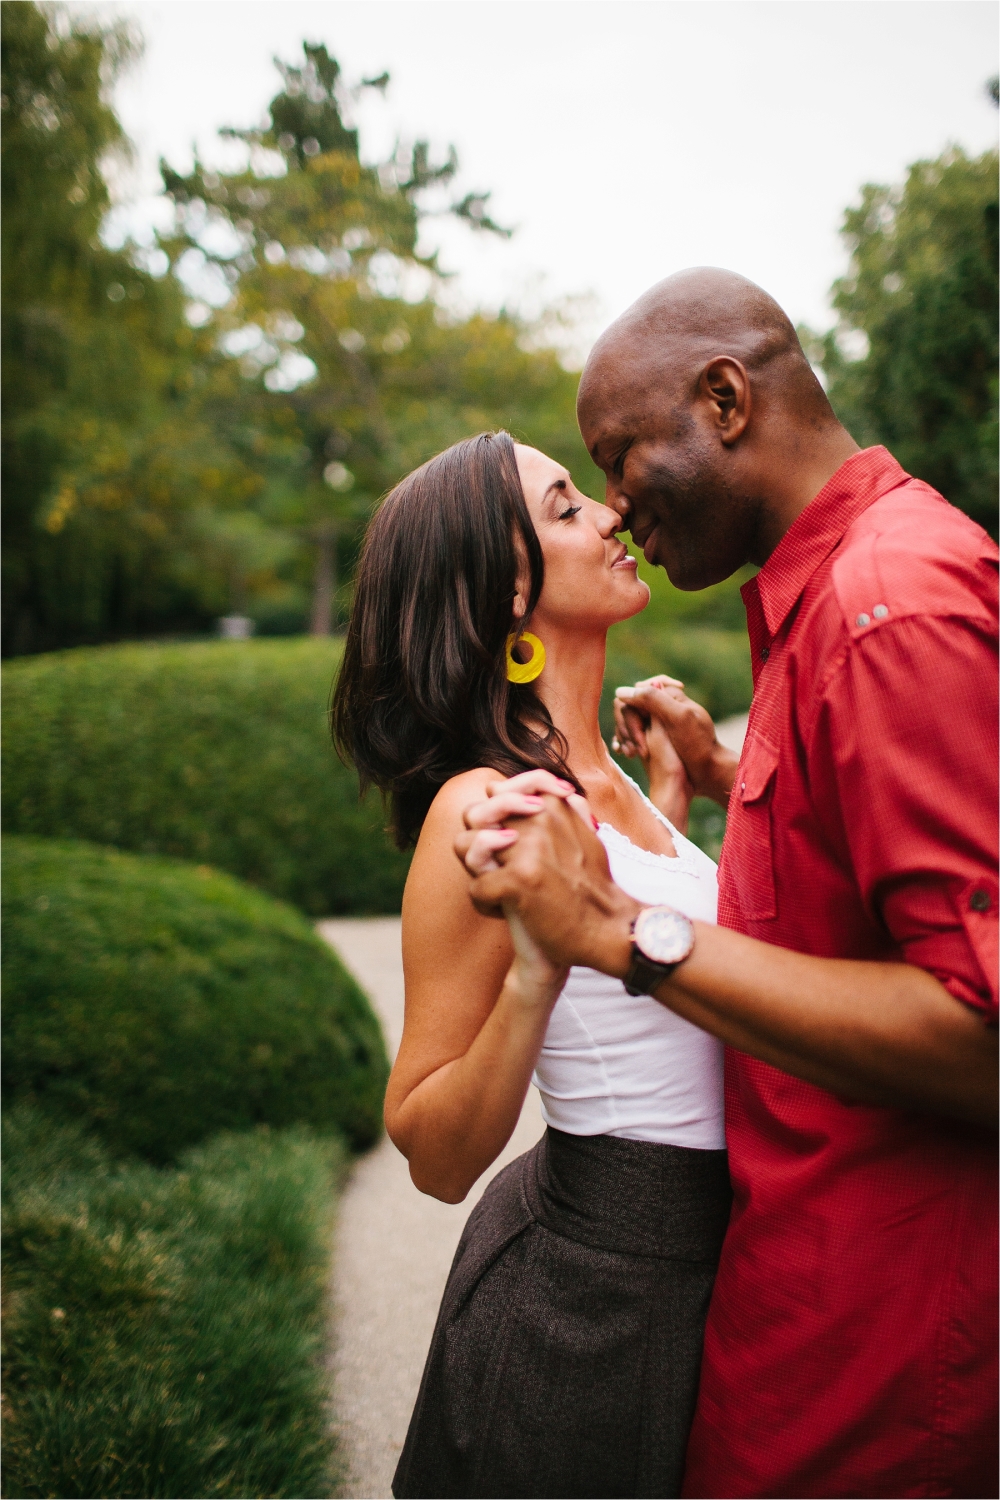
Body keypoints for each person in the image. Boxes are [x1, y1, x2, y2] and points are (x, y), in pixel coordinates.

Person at [458, 269, 999, 1500]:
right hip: (781, 1304)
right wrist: (726, 771)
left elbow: (985, 1032)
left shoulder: (885, 608)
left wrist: (614, 927)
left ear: (723, 399)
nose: (612, 504)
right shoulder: (833, 601)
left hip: (878, 1361)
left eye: (618, 456)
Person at [332, 430, 734, 1499]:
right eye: (565, 509)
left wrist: (691, 803)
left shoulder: (615, 778)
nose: (611, 515)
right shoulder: (488, 805)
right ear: (505, 595)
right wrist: (533, 972)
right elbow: (431, 1148)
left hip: (712, 1262)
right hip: (594, 1295)